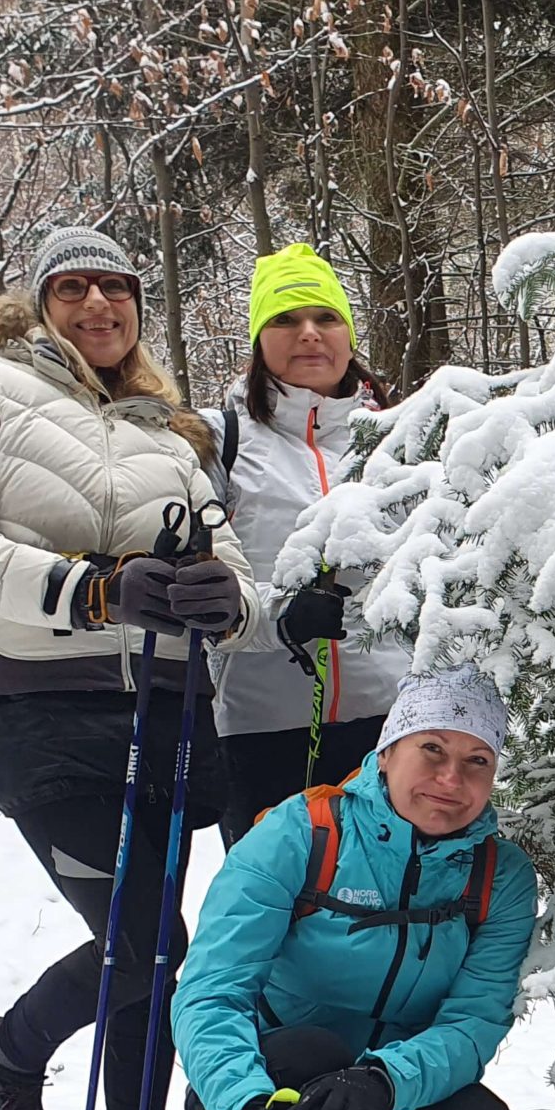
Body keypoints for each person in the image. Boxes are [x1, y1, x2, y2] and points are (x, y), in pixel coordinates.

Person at [0, 225, 260, 1110]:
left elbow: (238, 575)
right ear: (39, 302)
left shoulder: (170, 431)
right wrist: (93, 590)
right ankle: (10, 1056)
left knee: (141, 948)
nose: (98, 304)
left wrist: (221, 596)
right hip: (35, 695)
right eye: (73, 287)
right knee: (148, 939)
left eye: (117, 288)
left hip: (170, 705)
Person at [171, 665, 539, 1110]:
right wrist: (248, 1105)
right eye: (432, 749)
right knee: (299, 1057)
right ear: (388, 750)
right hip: (266, 1080)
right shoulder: (300, 834)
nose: (452, 780)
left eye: (477, 760)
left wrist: (382, 1080)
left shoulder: (499, 875)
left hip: (391, 1092)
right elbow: (211, 992)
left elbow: (475, 1021)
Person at [203, 244, 407, 850]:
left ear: (349, 333)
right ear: (259, 341)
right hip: (261, 726)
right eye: (285, 320)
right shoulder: (219, 441)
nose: (309, 335)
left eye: (326, 318)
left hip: (394, 723)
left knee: (392, 913)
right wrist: (281, 618)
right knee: (277, 914)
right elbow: (201, 586)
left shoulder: (402, 437)